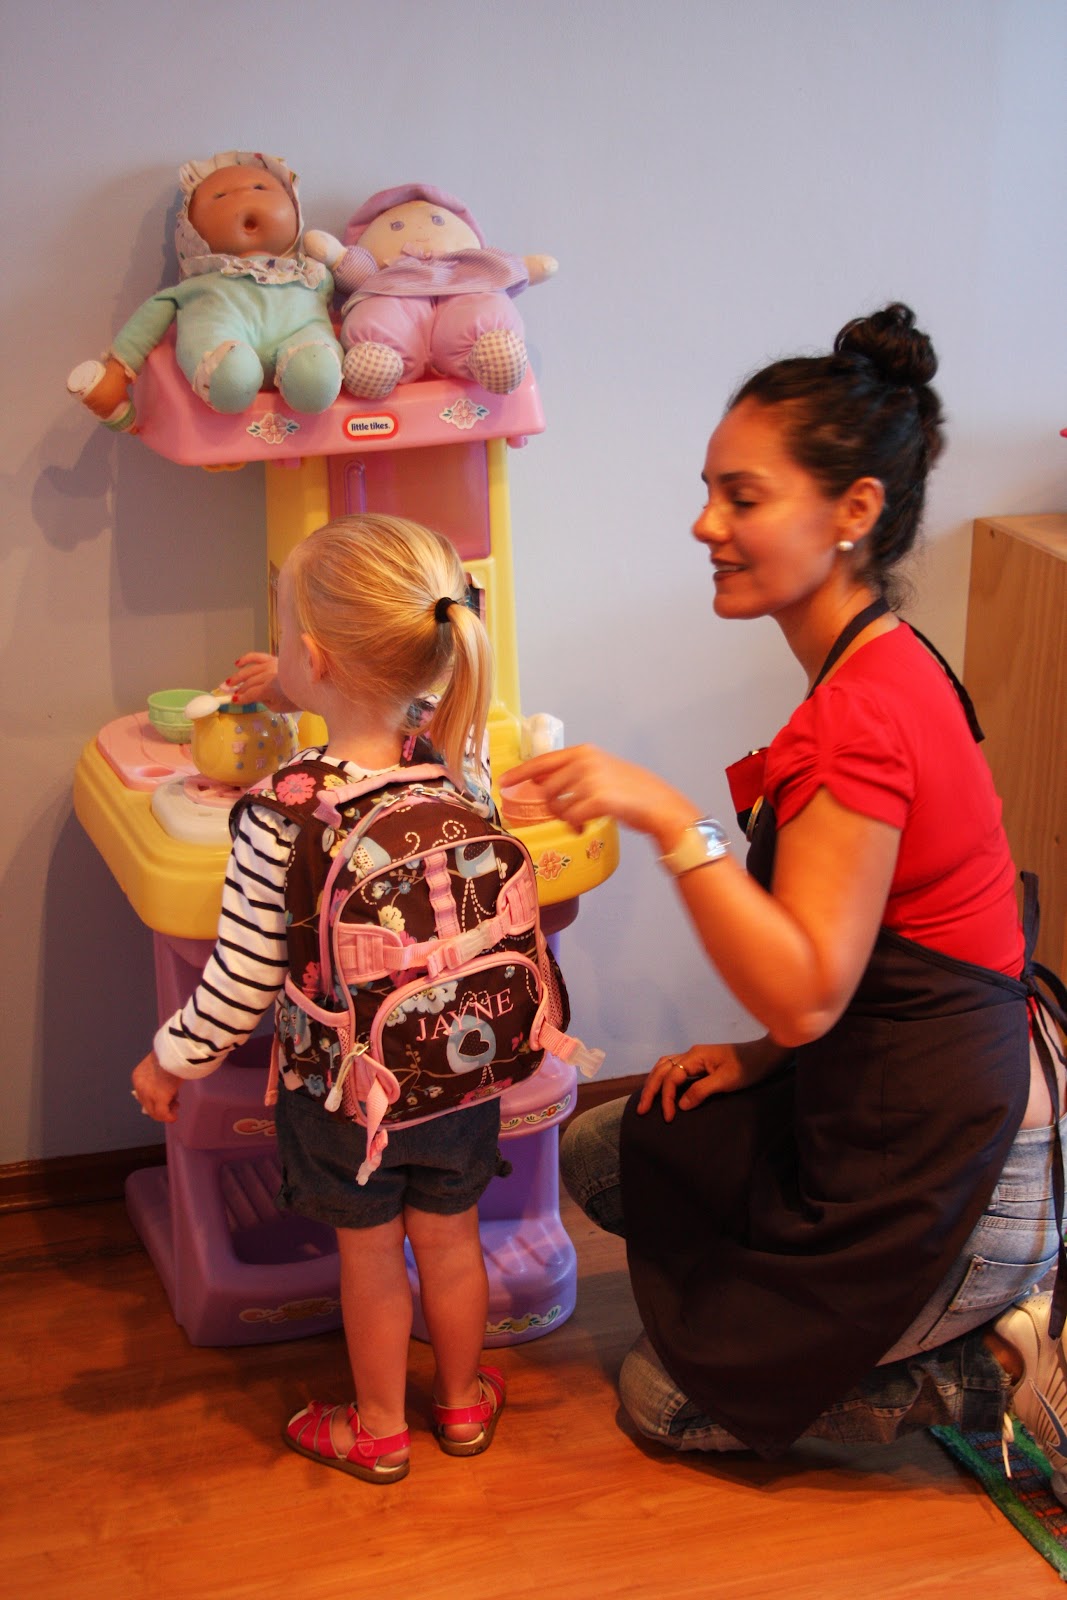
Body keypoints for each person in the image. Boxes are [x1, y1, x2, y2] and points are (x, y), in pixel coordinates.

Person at [508, 304, 1067, 1488]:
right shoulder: (881, 657)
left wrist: (668, 819)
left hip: (965, 1160)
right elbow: (856, 951)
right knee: (616, 1152)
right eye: (708, 491)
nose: (704, 523)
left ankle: (1009, 1352)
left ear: (851, 510)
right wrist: (760, 1059)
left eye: (741, 496)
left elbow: (809, 993)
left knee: (665, 1399)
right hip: (891, 1092)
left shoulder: (857, 718)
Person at [132, 513, 508, 1484]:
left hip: (343, 1092)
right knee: (451, 1240)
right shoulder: (463, 765)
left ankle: (378, 1427)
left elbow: (242, 980)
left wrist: (169, 1059)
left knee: (371, 1255)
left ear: (315, 657)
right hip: (458, 1071)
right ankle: (462, 1403)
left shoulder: (282, 808)